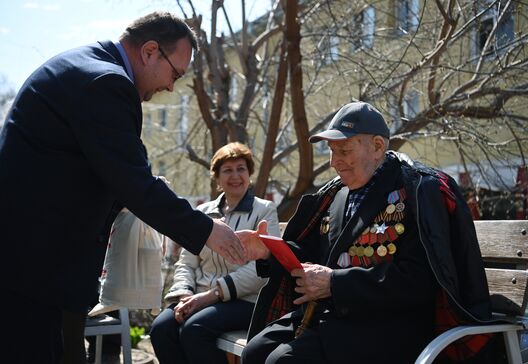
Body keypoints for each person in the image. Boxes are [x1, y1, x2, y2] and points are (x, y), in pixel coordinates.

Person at [0, 12, 245, 364]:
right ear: (149, 52)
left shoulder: (87, 66)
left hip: (32, 262)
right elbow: (132, 182)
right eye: (174, 73)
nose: (171, 87)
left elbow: (104, 173)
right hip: (33, 267)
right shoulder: (106, 83)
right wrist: (207, 229)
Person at [237, 102, 496, 363]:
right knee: (254, 353)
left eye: (344, 150)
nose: (333, 162)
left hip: (389, 327)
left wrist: (335, 283)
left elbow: (419, 281)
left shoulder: (417, 191)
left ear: (377, 147)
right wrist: (270, 251)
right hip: (335, 316)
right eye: (331, 150)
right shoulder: (336, 194)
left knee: (284, 361)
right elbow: (316, 257)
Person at [150, 142, 280, 364]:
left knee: (195, 329)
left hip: (246, 301)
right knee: (161, 328)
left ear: (249, 174)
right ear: (217, 179)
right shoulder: (202, 213)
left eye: (241, 168)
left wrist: (212, 295)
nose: (235, 175)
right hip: (198, 295)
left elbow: (260, 270)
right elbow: (186, 263)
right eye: (227, 170)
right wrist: (184, 296)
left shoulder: (265, 210)